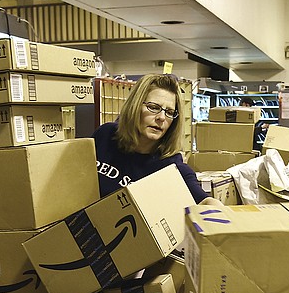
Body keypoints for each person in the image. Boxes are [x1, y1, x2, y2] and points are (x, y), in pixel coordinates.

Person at [93, 73, 220, 205]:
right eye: (153, 107)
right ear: (135, 106)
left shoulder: (171, 167)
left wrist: (215, 208)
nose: (162, 118)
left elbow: (204, 200)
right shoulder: (105, 135)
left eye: (170, 112)